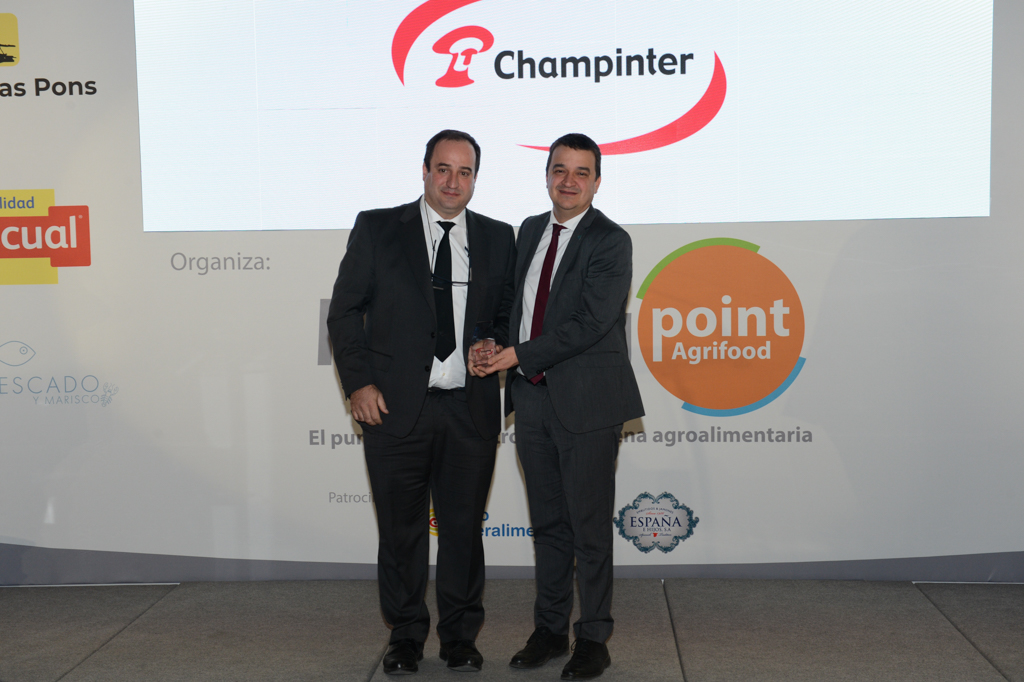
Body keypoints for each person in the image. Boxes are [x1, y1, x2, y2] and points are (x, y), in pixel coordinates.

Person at [328, 130, 516, 674]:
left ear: (476, 178)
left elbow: (508, 313)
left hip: (469, 409)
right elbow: (344, 312)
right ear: (426, 171)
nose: (453, 182)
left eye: (465, 172)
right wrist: (358, 384)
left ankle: (460, 637)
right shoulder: (378, 228)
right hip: (393, 409)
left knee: (463, 533)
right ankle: (406, 637)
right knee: (401, 532)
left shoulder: (498, 237)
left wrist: (494, 341)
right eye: (444, 169)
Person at [473, 133, 644, 679]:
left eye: (581, 172)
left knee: (588, 528)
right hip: (531, 397)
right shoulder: (528, 230)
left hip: (587, 402)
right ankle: (549, 629)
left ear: (597, 181)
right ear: (547, 174)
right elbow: (517, 307)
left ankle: (593, 637)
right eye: (560, 170)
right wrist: (494, 343)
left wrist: (519, 354)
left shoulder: (610, 240)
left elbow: (592, 322)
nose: (569, 181)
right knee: (547, 526)